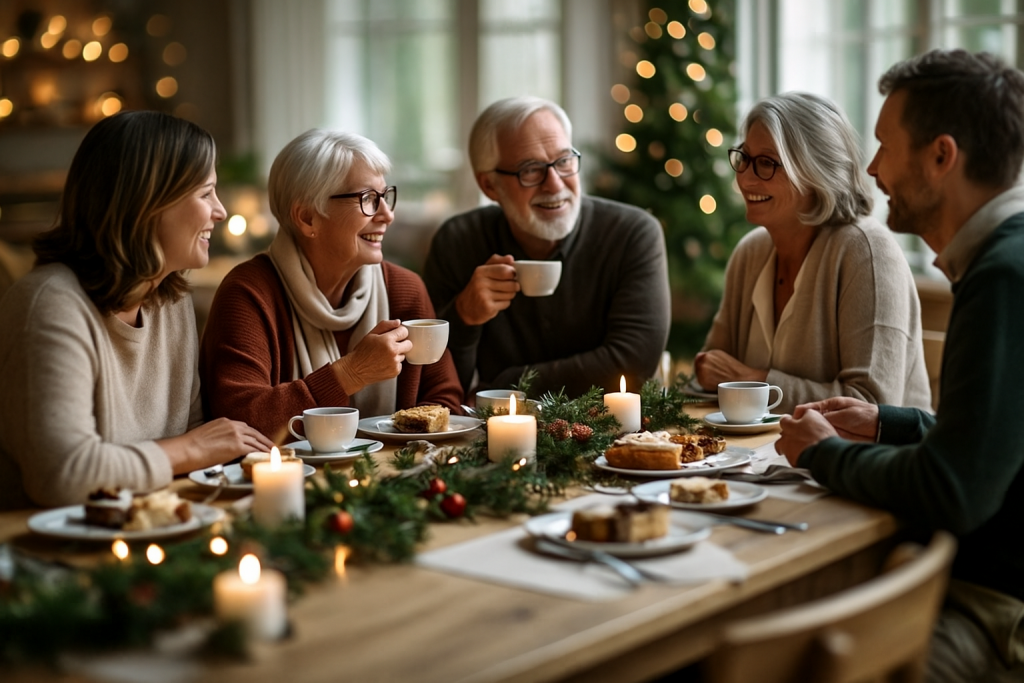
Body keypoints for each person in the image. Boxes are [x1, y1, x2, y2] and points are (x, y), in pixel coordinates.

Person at [776, 50, 1024, 682]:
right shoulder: (1005, 257)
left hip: (995, 611)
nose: (871, 168)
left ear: (941, 156)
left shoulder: (1003, 277)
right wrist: (892, 422)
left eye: (886, 145)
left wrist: (821, 454)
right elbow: (992, 442)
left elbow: (955, 492)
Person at [0, 111, 274, 510]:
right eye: (205, 193)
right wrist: (189, 449)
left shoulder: (171, 300)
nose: (221, 211)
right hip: (47, 552)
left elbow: (195, 438)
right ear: (148, 203)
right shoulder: (49, 303)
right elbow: (63, 475)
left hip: (150, 533)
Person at [200, 130, 462, 442]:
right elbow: (239, 423)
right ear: (308, 217)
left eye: (385, 196)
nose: (387, 215)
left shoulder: (405, 290)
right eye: (367, 199)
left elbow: (447, 406)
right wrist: (350, 374)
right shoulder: (249, 294)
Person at [695, 92, 931, 414]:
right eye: (744, 158)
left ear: (815, 173)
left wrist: (758, 382)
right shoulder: (749, 253)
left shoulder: (868, 252)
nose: (745, 177)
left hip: (865, 462)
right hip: (757, 458)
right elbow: (712, 373)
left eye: (766, 163)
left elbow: (872, 406)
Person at [422, 96, 671, 398]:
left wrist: (505, 387)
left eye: (564, 161)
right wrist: (464, 317)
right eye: (530, 170)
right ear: (489, 186)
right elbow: (436, 385)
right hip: (495, 435)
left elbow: (632, 361)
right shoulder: (458, 241)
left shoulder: (632, 233)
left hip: (618, 432)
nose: (555, 184)